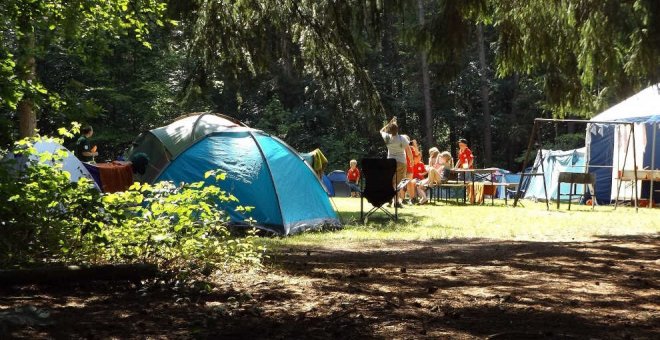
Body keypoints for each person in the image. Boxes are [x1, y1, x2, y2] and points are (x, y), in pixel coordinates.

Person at [380, 117, 410, 207]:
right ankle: (396, 201)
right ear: (398, 130)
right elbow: (408, 150)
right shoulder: (402, 138)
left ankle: (392, 200)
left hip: (391, 163)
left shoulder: (387, 138)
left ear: (389, 130)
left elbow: (381, 130)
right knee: (399, 183)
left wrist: (389, 123)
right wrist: (411, 161)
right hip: (401, 162)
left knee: (392, 182)